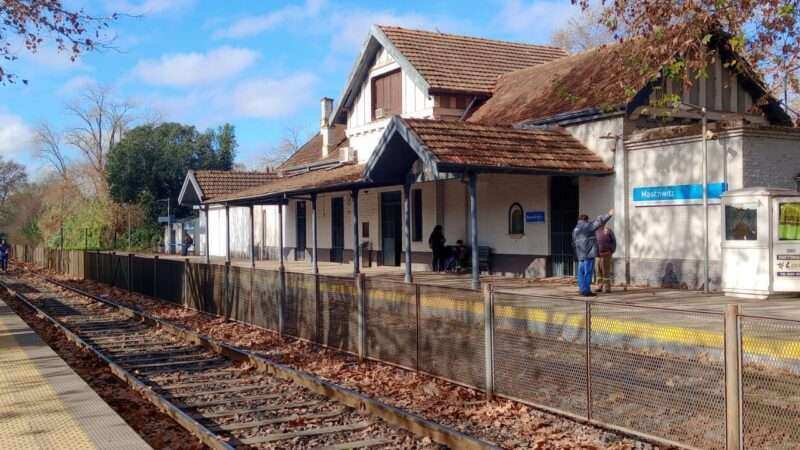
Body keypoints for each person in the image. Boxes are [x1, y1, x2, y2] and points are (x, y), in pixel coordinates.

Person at [572, 210, 614, 297]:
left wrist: (576, 254)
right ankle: (586, 291)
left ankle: (582, 289)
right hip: (588, 254)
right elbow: (599, 221)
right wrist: (609, 214)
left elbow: (573, 243)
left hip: (580, 255)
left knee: (581, 273)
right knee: (588, 273)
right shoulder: (587, 226)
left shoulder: (575, 229)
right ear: (586, 220)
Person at [595, 224, 617, 293]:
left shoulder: (608, 231)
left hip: (606, 254)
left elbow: (614, 242)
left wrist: (611, 251)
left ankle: (607, 287)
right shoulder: (596, 231)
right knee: (598, 271)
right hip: (597, 255)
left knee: (606, 271)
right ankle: (599, 286)